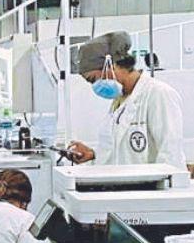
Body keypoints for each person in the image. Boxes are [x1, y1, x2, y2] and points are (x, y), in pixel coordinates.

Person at [65, 31, 186, 169]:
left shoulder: (158, 94)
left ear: (111, 65)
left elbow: (171, 154)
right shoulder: (120, 101)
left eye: (93, 79)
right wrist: (93, 154)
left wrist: (161, 183)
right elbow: (120, 151)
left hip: (147, 182)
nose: (95, 86)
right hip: (120, 181)